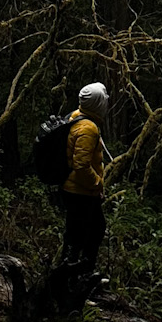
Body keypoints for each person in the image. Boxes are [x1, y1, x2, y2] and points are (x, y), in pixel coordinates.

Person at [59, 81, 109, 279]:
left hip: (76, 190)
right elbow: (81, 166)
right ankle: (76, 280)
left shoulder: (76, 117)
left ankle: (74, 276)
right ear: (97, 104)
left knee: (80, 233)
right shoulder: (88, 128)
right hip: (80, 192)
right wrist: (97, 183)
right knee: (87, 233)